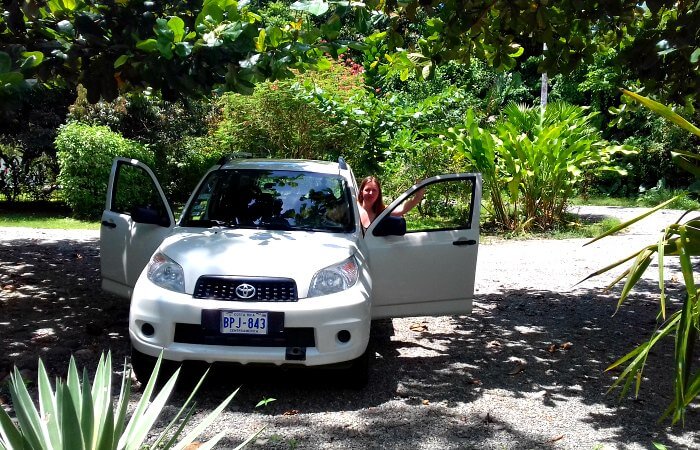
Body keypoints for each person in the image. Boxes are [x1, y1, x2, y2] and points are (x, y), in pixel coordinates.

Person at [357, 176, 425, 230]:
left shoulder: (382, 211)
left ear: (379, 193)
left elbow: (402, 209)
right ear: (361, 191)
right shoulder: (353, 207)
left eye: (374, 190)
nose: (371, 193)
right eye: (367, 190)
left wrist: (418, 196)